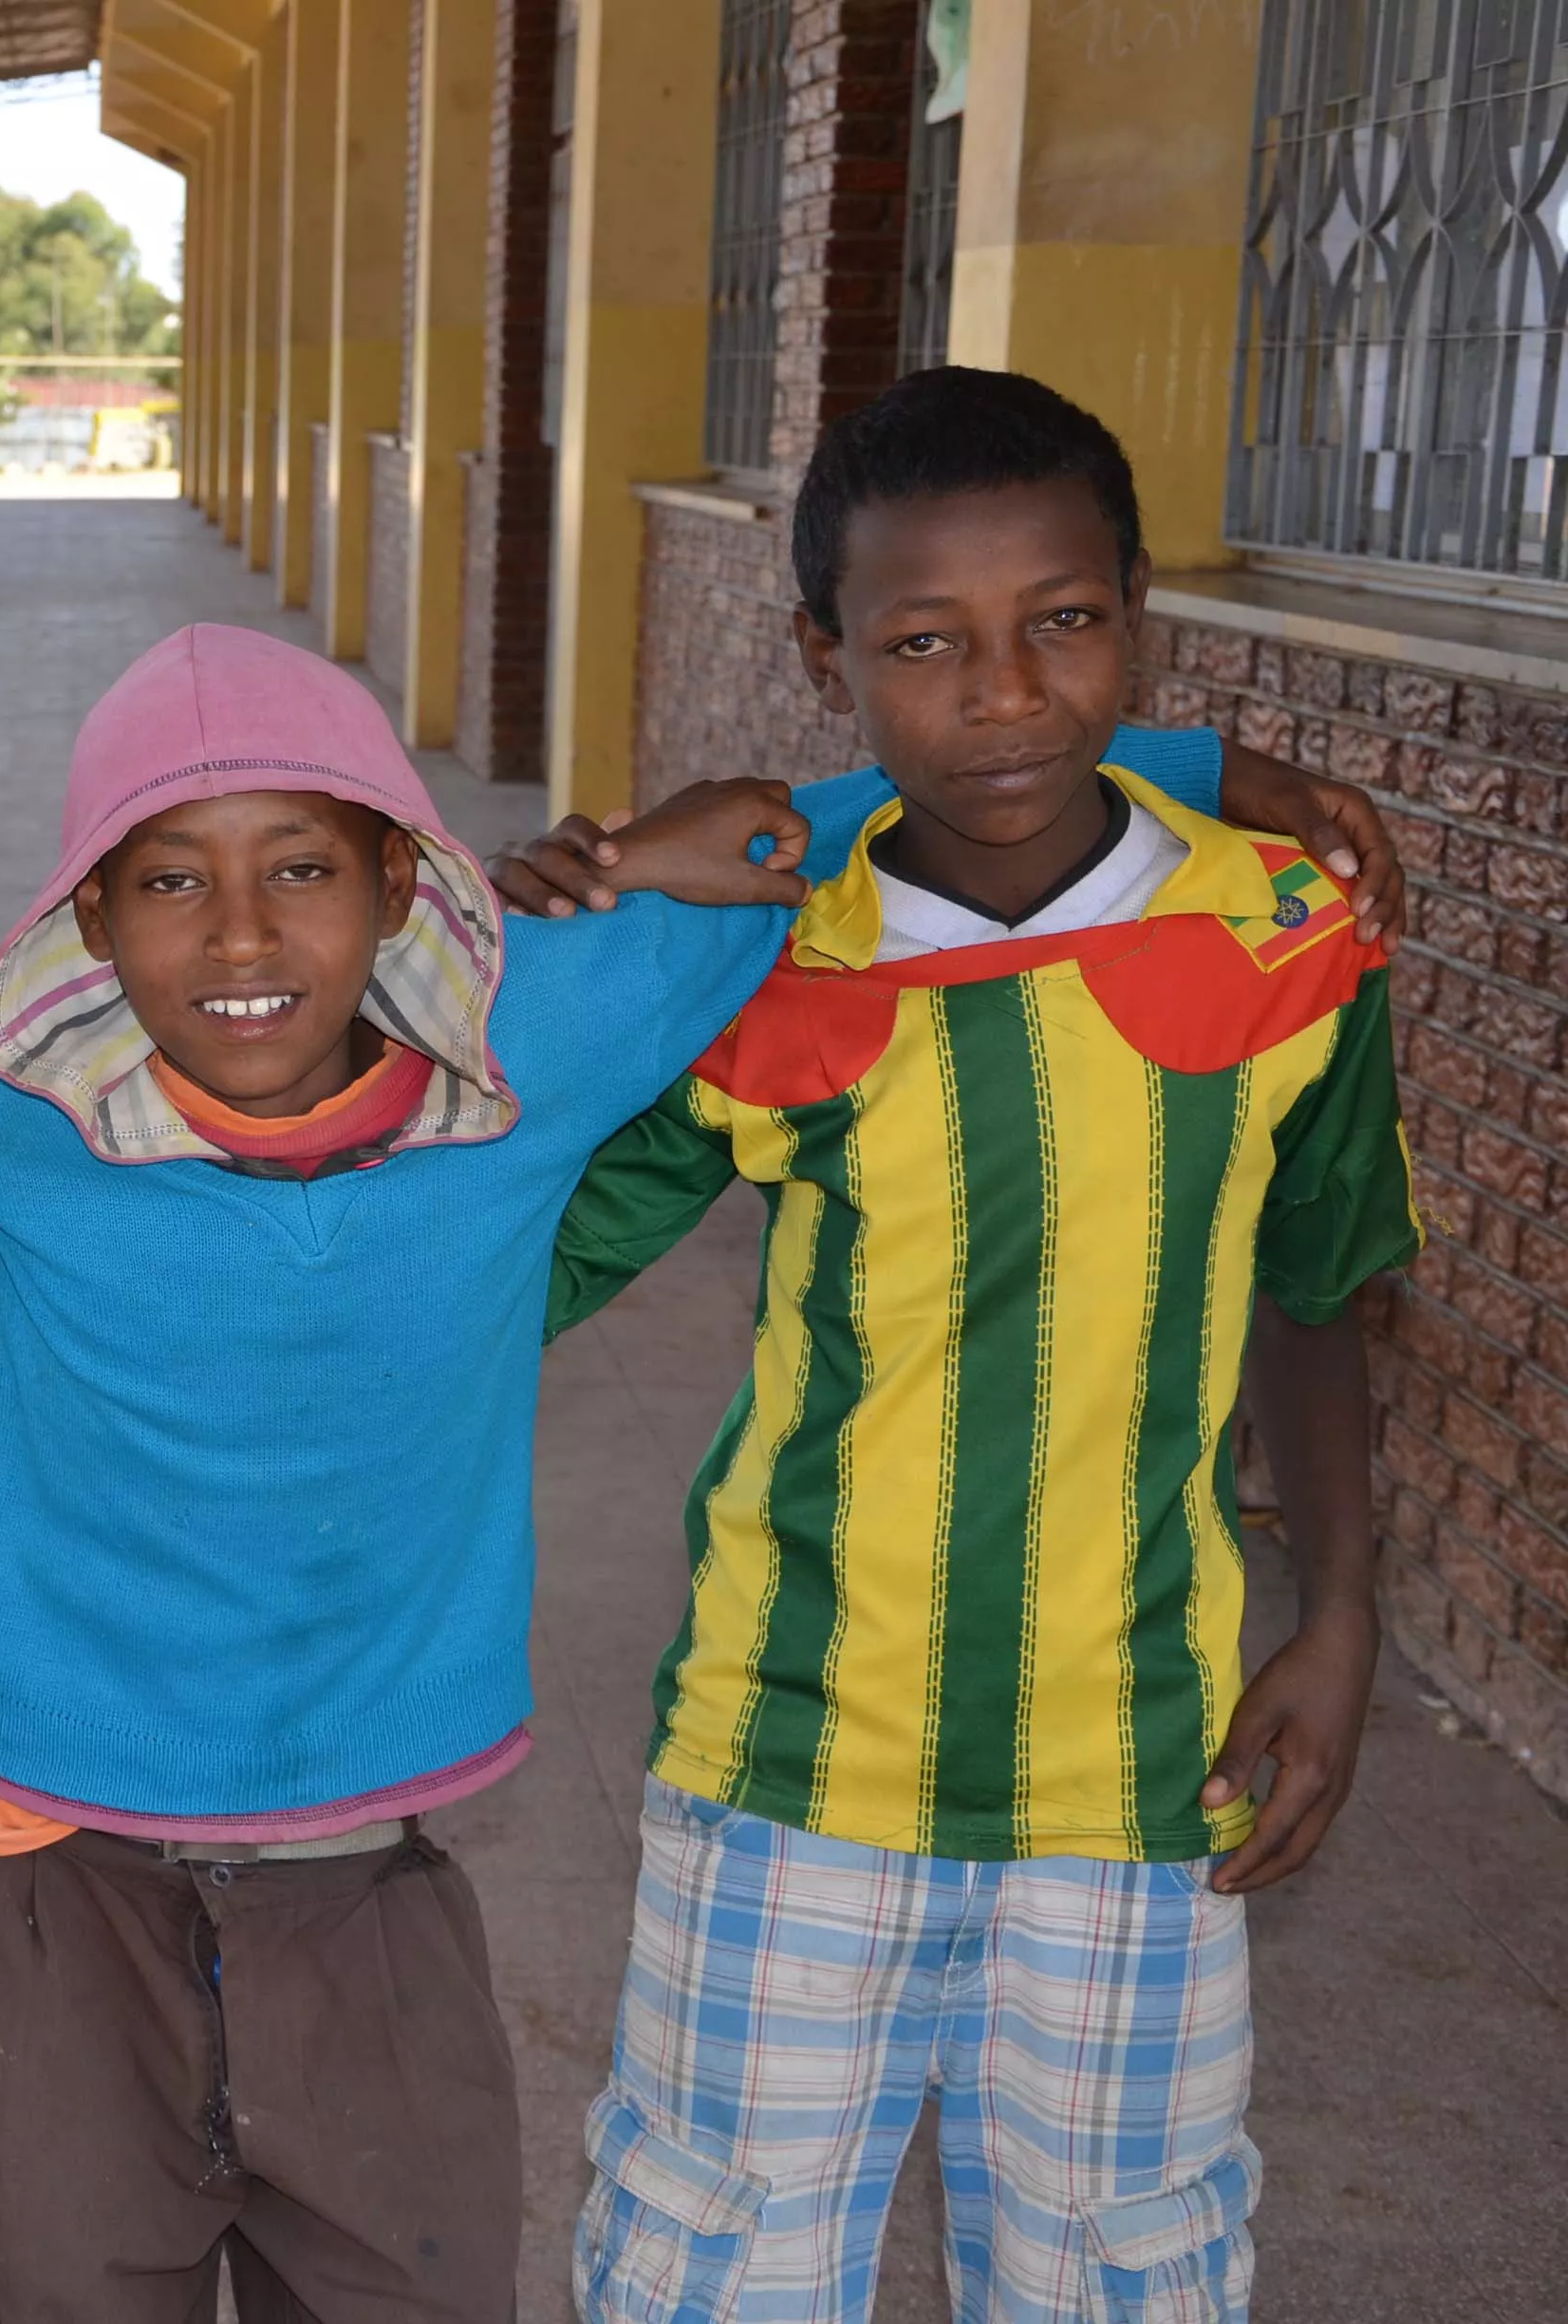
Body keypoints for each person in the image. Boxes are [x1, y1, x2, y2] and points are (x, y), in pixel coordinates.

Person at [0, 613, 1399, 2324]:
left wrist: (1195, 760)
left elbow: (901, 781)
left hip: (379, 1875)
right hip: (51, 1872)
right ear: (89, 914)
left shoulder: (547, 1049)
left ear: (408, 885)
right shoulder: (0, 1083)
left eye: (304, 870)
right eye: (166, 879)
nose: (239, 934)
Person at [517, 366, 1417, 2324]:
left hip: (1140, 1779)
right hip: (788, 1763)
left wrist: (1341, 1613)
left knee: (1129, 2277)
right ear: (824, 652)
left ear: (1141, 617)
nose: (1005, 696)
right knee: (708, 2271)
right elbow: (522, 1250)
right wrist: (551, 935)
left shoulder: (1283, 934)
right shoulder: (765, 959)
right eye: (924, 643)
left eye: (1065, 623)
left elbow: (1317, 1287)